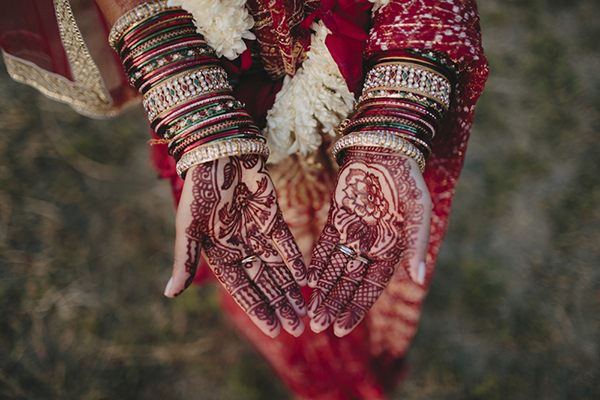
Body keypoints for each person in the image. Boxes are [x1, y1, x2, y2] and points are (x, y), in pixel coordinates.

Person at [0, 0, 488, 398]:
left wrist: (397, 115)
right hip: (213, 81)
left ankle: (359, 366)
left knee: (364, 265)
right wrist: (194, 113)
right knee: (254, 255)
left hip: (367, 70)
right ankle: (310, 370)